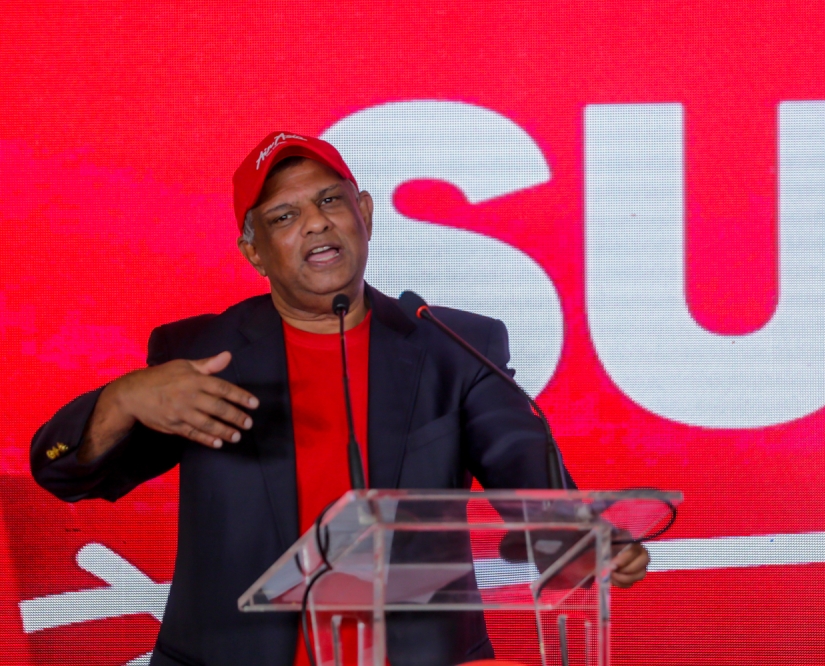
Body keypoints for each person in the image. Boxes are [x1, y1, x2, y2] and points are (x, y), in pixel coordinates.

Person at [30, 132, 650, 666]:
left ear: (367, 215)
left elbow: (526, 473)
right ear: (255, 253)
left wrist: (581, 537)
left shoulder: (455, 345)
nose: (317, 222)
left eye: (331, 201)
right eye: (284, 216)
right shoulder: (199, 352)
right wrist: (124, 400)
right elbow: (61, 472)